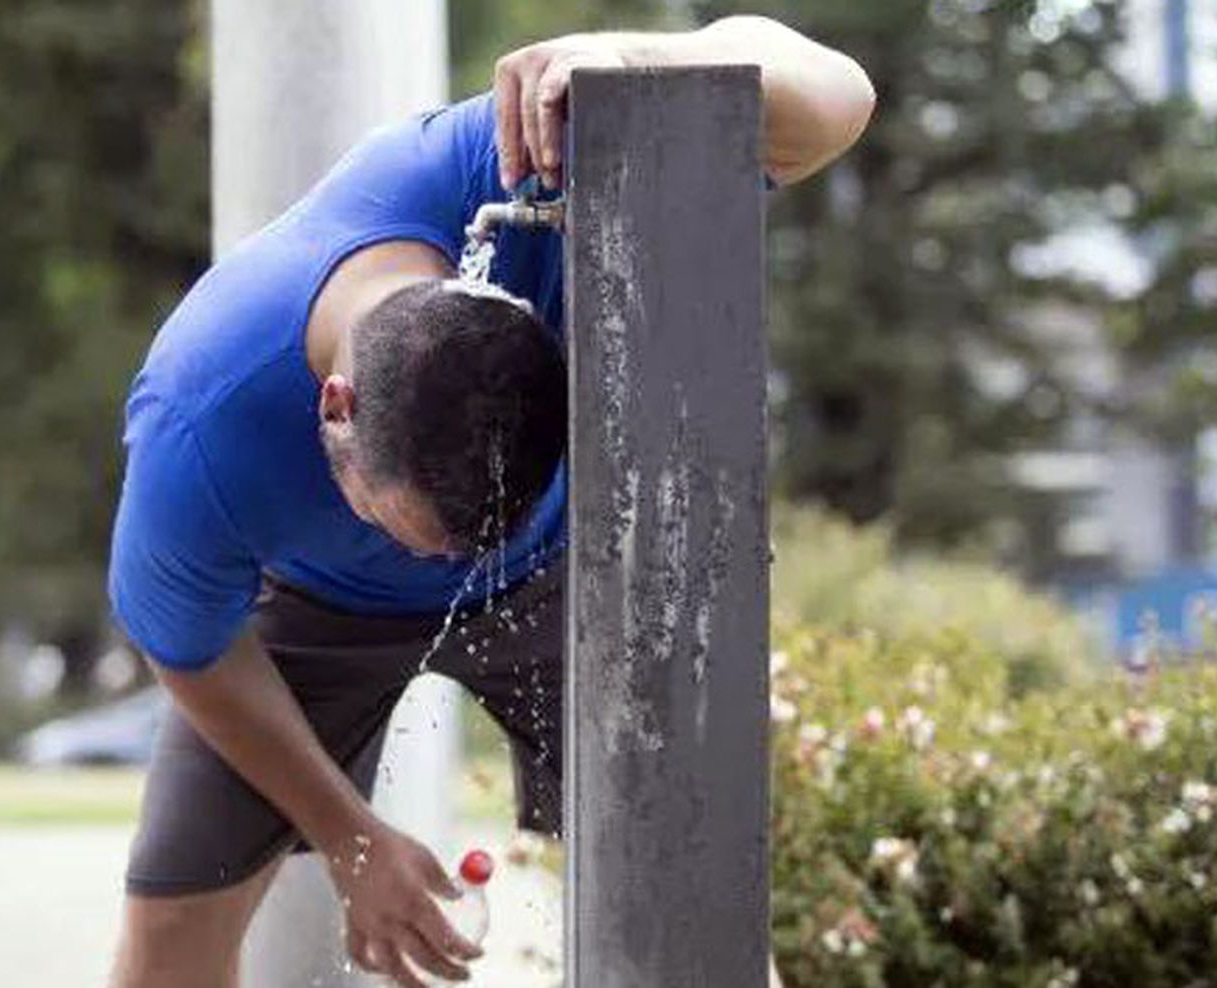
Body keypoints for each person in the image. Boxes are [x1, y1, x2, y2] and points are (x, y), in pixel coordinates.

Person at [107, 16, 874, 988]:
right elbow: (190, 647)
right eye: (415, 535)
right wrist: (351, 841)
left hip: (560, 571)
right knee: (171, 924)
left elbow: (840, 99)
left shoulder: (524, 163)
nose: (449, 570)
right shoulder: (199, 422)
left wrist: (636, 58)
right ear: (332, 411)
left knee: (695, 882)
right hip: (317, 607)